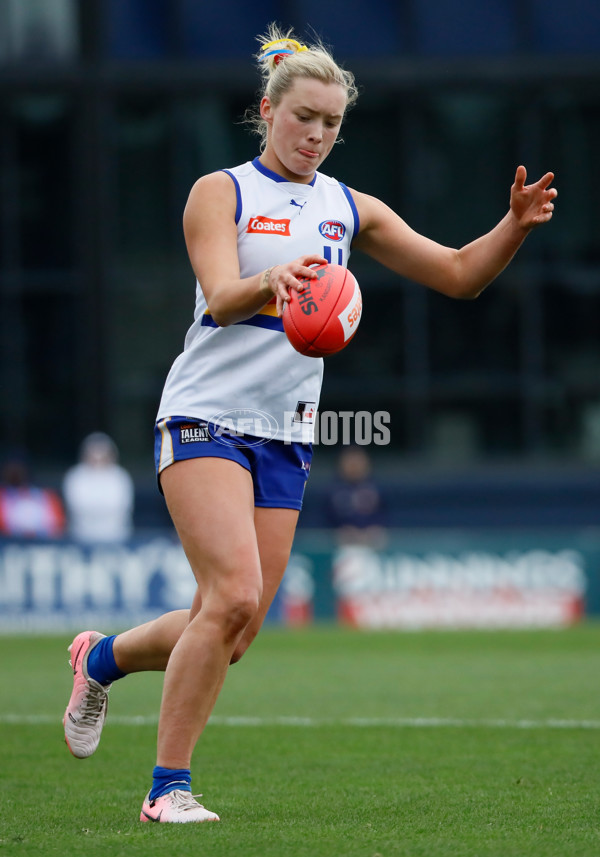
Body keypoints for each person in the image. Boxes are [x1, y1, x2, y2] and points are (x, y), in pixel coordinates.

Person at [62, 24, 557, 824]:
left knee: (233, 627)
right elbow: (221, 298)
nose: (318, 135)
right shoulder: (220, 192)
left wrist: (514, 228)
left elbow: (461, 274)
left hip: (285, 433)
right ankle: (167, 790)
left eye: (332, 123)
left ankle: (101, 658)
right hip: (204, 416)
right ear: (268, 110)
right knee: (231, 594)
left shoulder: (347, 207)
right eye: (305, 118)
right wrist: (273, 282)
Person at [62, 432, 135, 544]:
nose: (98, 460)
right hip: (81, 540)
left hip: (117, 540)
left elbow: (119, 508)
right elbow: (78, 508)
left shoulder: (121, 476)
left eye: (102, 455)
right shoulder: (75, 476)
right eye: (93, 455)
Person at [326, 446, 387, 546]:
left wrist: (375, 531)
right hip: (339, 547)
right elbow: (323, 524)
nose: (354, 465)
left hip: (373, 546)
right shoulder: (330, 491)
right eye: (349, 460)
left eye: (358, 460)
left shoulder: (378, 488)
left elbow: (385, 518)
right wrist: (338, 532)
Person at [0, 452, 65, 539]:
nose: (15, 472)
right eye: (11, 468)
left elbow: (58, 526)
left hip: (42, 546)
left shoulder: (47, 496)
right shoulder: (2, 496)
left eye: (19, 468)